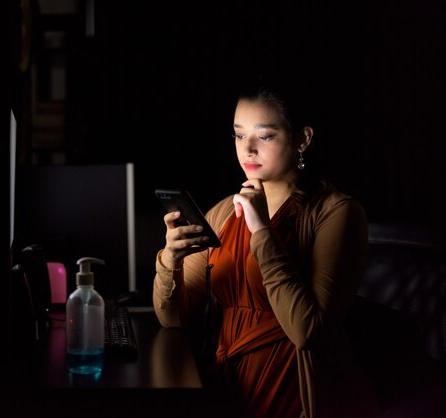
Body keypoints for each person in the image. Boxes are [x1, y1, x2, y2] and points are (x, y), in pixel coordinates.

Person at [152, 76, 380, 418]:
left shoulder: (338, 212)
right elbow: (172, 320)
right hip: (226, 385)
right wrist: (171, 260)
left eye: (265, 135)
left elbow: (308, 330)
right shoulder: (225, 211)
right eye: (239, 134)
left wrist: (260, 229)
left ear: (302, 139)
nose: (248, 149)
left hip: (294, 391)